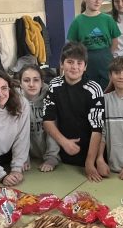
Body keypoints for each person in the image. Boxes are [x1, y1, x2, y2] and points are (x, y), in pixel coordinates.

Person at [42, 42, 106, 180]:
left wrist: (90, 162)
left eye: (79, 63)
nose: (74, 67)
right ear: (62, 64)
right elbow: (47, 120)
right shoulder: (54, 84)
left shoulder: (94, 89)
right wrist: (64, 142)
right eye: (70, 62)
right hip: (62, 156)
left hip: (90, 156)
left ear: (85, 67)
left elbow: (97, 129)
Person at [68, 0, 120, 86]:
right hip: (86, 59)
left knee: (107, 89)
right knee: (88, 89)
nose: (97, 1)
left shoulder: (108, 19)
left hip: (105, 58)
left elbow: (115, 41)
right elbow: (72, 46)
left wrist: (106, 55)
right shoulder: (77, 21)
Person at [18, 64, 59, 169]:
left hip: (52, 154)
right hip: (28, 156)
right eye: (26, 80)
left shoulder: (51, 98)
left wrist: (52, 158)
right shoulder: (15, 101)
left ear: (42, 82)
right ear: (20, 84)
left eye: (36, 80)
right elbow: (18, 134)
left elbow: (54, 130)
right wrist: (22, 158)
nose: (31, 84)